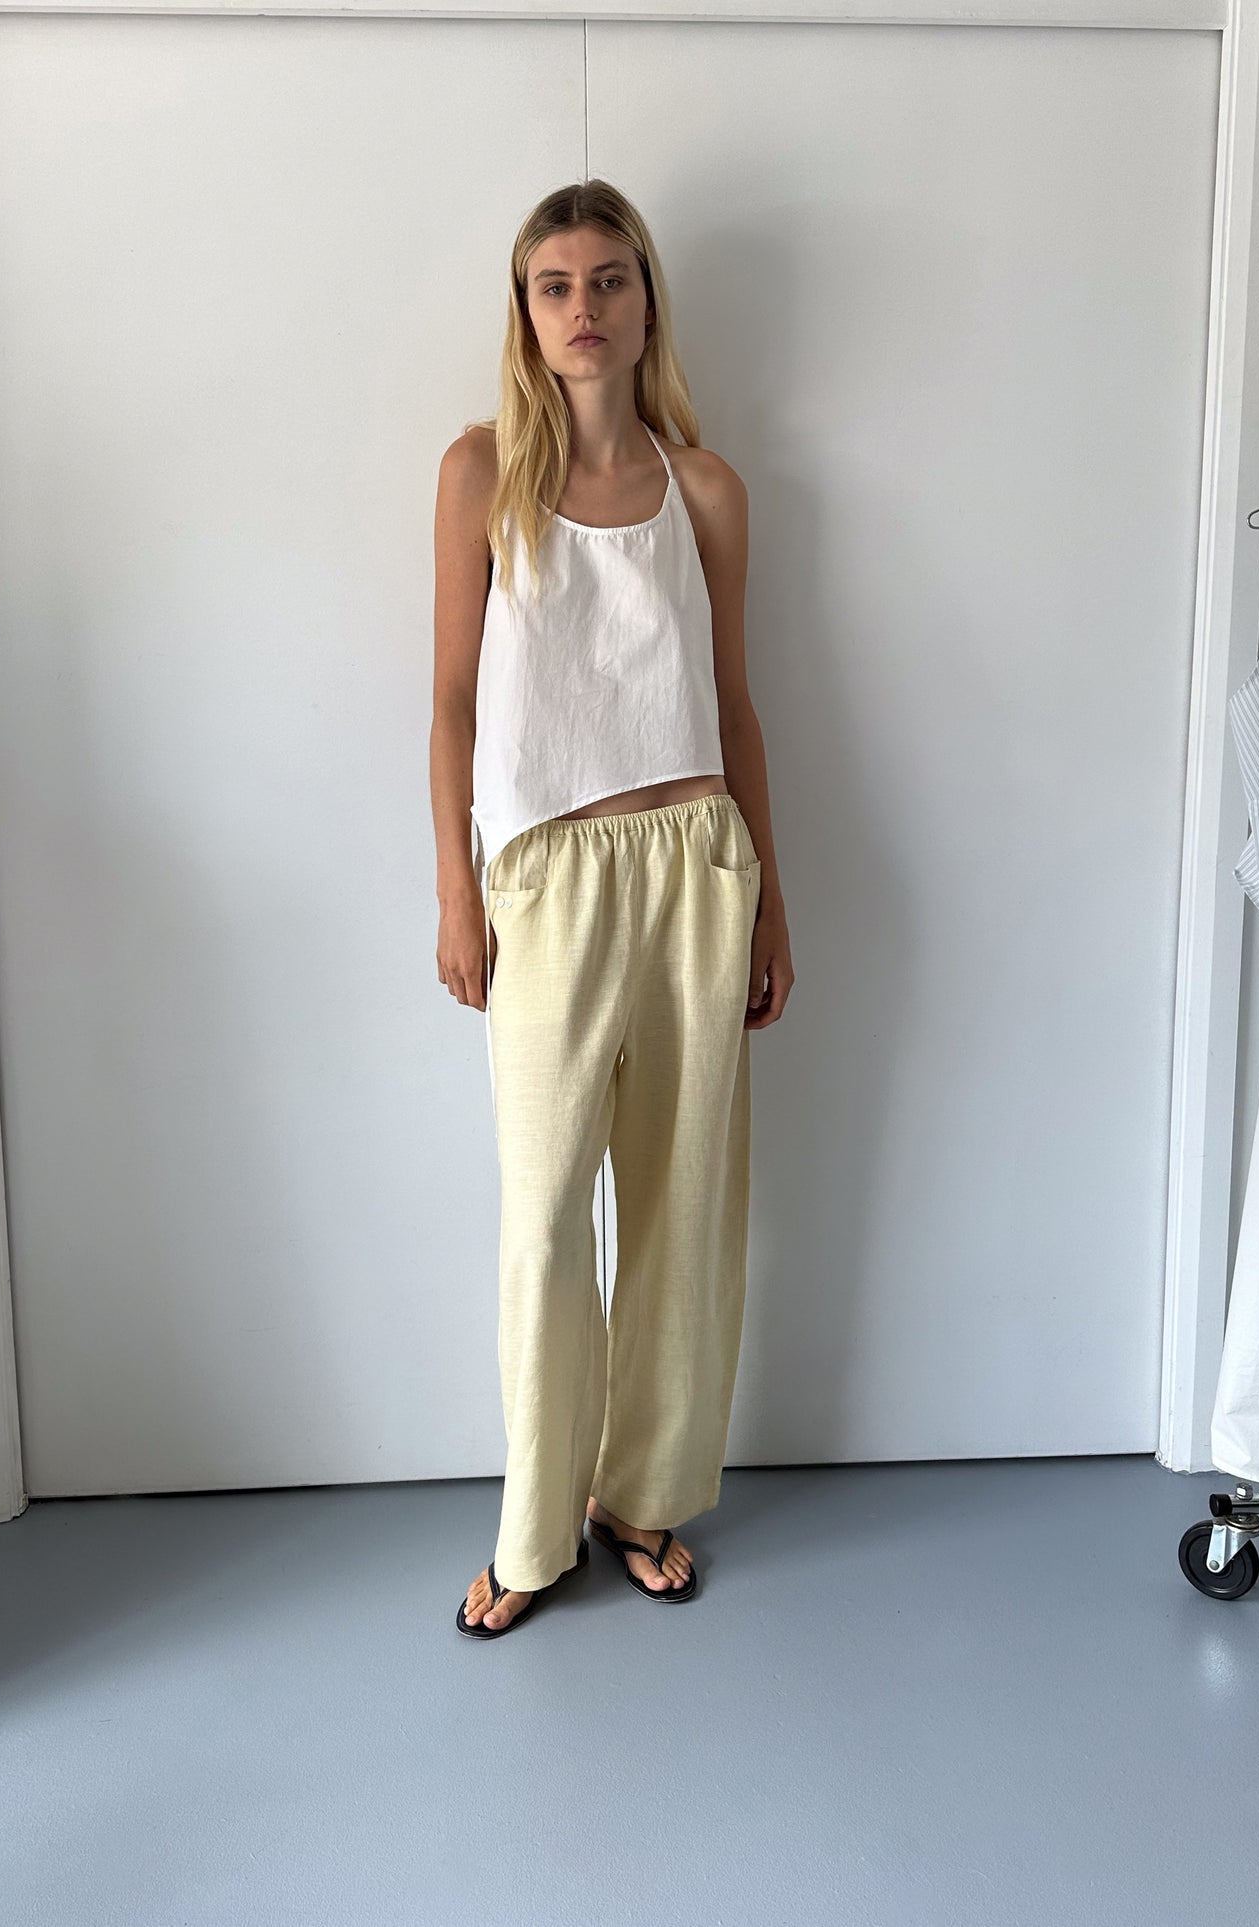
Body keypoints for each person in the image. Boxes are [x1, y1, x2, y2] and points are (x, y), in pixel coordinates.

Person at [431, 179, 793, 1637]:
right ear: (524, 314)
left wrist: (768, 899)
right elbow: (451, 704)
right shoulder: (480, 474)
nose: (583, 307)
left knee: (683, 1209)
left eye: (608, 279)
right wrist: (457, 887)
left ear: (646, 302)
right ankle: (535, 1530)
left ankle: (638, 1494)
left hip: (697, 866)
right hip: (546, 886)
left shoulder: (706, 487)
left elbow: (736, 706)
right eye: (553, 285)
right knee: (540, 1224)